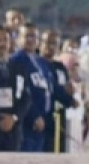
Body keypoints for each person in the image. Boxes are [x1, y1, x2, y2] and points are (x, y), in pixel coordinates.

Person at [8, 24, 54, 152]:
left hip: (42, 123)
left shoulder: (41, 62)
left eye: (33, 36)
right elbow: (20, 93)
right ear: (18, 39)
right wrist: (33, 116)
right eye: (26, 36)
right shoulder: (16, 61)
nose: (30, 40)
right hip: (27, 124)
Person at [0, 27, 28, 151]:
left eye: (5, 40)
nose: (2, 43)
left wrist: (14, 117)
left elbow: (26, 97)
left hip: (13, 133)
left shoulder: (18, 67)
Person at [40, 29, 79, 152]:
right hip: (43, 120)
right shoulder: (36, 64)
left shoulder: (60, 67)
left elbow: (67, 88)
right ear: (40, 43)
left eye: (54, 44)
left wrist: (70, 97)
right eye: (47, 43)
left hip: (60, 120)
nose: (50, 47)